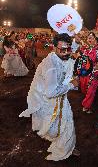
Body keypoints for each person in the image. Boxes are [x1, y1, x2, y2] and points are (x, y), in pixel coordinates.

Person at [19, 33, 80, 161]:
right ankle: (61, 152)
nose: (66, 52)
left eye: (68, 49)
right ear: (54, 48)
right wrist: (70, 85)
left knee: (67, 124)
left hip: (60, 99)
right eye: (62, 50)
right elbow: (51, 92)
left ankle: (66, 147)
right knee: (59, 126)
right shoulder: (50, 66)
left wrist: (76, 41)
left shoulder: (59, 57)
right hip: (50, 102)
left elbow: (70, 52)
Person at [79, 32, 98, 113]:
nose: (89, 39)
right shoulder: (84, 49)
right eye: (88, 38)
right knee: (84, 89)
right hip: (84, 73)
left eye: (91, 37)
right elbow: (79, 58)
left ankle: (86, 106)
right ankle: (87, 103)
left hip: (94, 73)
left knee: (91, 90)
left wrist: (96, 66)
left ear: (96, 40)